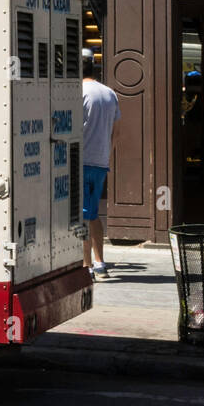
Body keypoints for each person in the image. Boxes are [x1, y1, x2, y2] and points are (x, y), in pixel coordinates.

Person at [82, 51, 122, 280]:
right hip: (100, 161)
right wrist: (107, 154)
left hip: (81, 160)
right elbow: (117, 132)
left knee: (80, 216)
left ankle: (86, 266)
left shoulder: (78, 92)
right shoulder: (109, 93)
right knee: (93, 213)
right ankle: (100, 263)